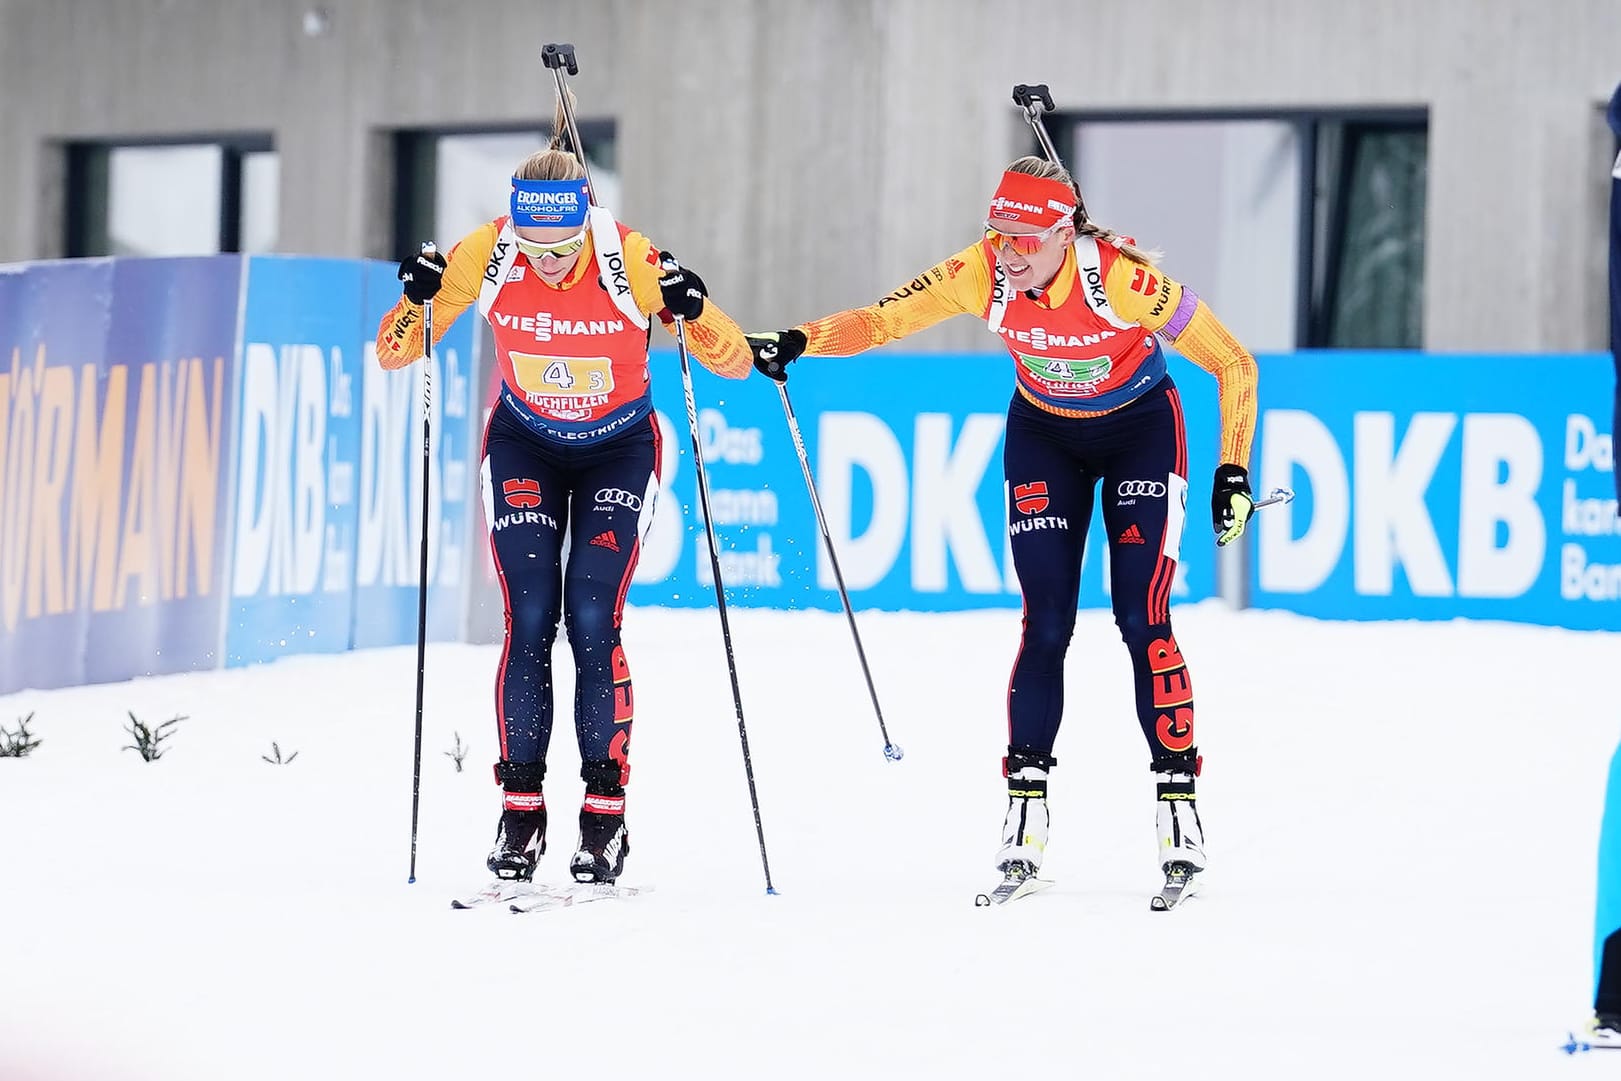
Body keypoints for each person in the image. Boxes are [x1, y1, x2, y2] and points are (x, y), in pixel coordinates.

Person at [747, 156, 1258, 890]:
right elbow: (885, 318)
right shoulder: (978, 271)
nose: (1007, 252)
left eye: (1024, 238)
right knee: (1044, 620)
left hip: (1140, 431)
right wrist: (800, 339)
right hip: (1044, 435)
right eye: (998, 234)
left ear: (1063, 231)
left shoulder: (1118, 278)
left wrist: (1231, 468)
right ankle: (1026, 806)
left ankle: (1177, 801)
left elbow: (1233, 363)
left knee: (1141, 616)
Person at [375, 92, 752, 885]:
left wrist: (695, 306)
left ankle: (603, 817)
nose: (547, 261)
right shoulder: (488, 250)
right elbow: (396, 353)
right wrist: (412, 299)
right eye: (533, 245)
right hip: (523, 445)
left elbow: (731, 359)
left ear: (589, 223)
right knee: (529, 617)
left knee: (590, 613)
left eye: (563, 246)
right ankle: (520, 814)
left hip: (617, 449)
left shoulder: (629, 256)